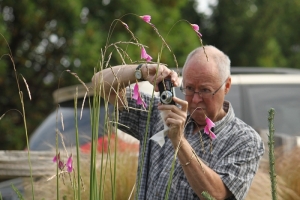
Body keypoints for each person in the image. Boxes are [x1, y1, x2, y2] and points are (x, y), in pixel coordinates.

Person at [92, 45, 264, 200]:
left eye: (205, 90)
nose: (195, 99)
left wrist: (179, 141)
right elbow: (99, 84)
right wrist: (142, 72)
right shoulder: (159, 113)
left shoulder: (245, 140)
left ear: (226, 86)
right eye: (189, 88)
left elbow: (215, 195)